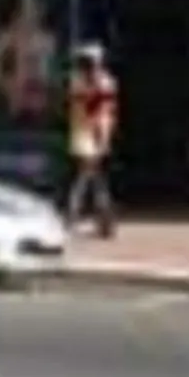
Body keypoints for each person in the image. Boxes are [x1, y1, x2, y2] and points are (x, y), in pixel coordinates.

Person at [63, 43, 119, 237]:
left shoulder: (105, 82)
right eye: (89, 62)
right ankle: (96, 218)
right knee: (88, 175)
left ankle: (99, 219)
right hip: (84, 133)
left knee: (92, 176)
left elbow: (106, 109)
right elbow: (85, 108)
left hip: (98, 132)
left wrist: (104, 133)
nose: (92, 66)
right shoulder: (79, 81)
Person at [0, 0, 59, 125]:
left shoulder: (48, 40)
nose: (31, 14)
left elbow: (53, 71)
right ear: (17, 13)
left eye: (34, 8)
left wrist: (45, 81)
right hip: (13, 100)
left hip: (40, 104)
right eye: (26, 9)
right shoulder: (4, 38)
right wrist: (5, 85)